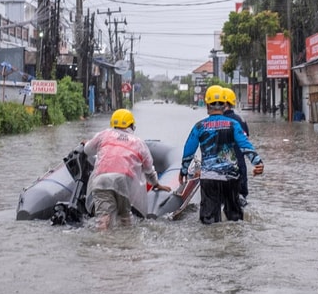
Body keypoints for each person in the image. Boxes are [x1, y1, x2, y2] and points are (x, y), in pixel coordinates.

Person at [179, 85, 264, 224]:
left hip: (209, 178)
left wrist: (183, 170)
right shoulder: (234, 124)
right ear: (225, 105)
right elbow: (245, 146)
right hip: (231, 178)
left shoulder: (199, 127)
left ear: (207, 105)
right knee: (235, 219)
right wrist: (258, 162)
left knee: (209, 221)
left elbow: (189, 151)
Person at [83, 108, 170, 230]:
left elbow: (87, 150)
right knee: (125, 215)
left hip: (101, 180)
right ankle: (127, 243)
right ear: (131, 125)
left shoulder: (104, 134)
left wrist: (89, 143)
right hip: (123, 181)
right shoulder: (138, 143)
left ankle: (102, 243)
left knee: (103, 217)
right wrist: (156, 184)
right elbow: (149, 169)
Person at [221, 87, 250, 207]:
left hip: (221, 168)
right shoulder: (240, 119)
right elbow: (246, 141)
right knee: (240, 202)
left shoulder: (216, 121)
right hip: (239, 166)